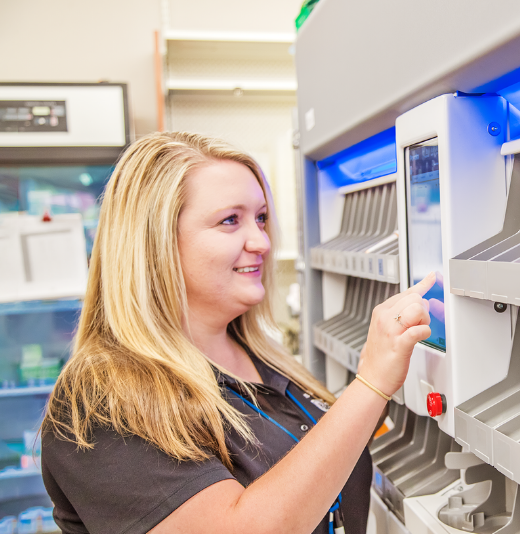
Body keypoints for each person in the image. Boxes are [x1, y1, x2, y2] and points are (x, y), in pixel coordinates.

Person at [40, 132, 434, 534]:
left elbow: (317, 468)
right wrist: (370, 384)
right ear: (154, 243)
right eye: (230, 221)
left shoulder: (259, 358)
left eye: (261, 218)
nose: (261, 241)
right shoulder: (101, 400)